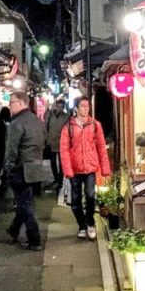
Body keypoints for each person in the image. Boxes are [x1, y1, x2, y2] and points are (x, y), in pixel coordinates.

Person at [60, 96, 111, 241]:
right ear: (76, 108)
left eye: (87, 106)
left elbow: (101, 147)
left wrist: (105, 168)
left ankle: (90, 223)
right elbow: (64, 150)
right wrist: (68, 170)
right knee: (75, 201)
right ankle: (81, 225)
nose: (86, 108)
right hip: (75, 169)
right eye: (83, 106)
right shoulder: (68, 127)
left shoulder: (95, 125)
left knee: (90, 196)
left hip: (90, 168)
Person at [4, 91, 47, 251]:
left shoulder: (16, 123)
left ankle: (35, 239)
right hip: (36, 168)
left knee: (25, 204)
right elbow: (43, 141)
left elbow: (11, 150)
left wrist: (8, 168)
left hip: (21, 169)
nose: (10, 106)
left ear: (21, 103)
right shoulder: (37, 121)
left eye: (12, 102)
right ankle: (14, 229)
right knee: (25, 201)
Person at [43, 98, 70, 191]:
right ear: (55, 106)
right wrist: (45, 139)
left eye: (62, 107)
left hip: (62, 142)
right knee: (53, 161)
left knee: (62, 163)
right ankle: (56, 177)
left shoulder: (66, 116)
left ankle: (60, 180)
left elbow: (68, 129)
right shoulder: (49, 114)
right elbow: (45, 125)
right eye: (58, 106)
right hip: (51, 141)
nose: (60, 108)